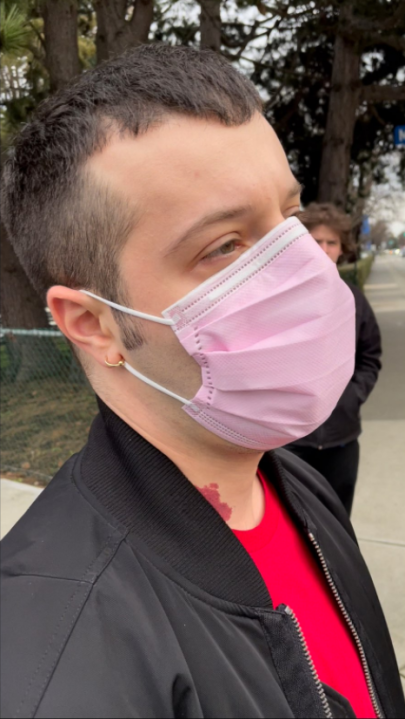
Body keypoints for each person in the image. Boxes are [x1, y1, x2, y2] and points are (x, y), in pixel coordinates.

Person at [1, 46, 403, 719]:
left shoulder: (290, 483)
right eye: (224, 246)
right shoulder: (59, 654)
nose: (303, 268)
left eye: (289, 217)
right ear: (94, 324)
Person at [286, 203, 382, 515]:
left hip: (342, 439)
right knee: (294, 521)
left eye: (332, 242)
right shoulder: (279, 299)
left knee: (339, 521)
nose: (324, 249)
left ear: (342, 248)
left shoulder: (355, 300)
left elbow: (370, 355)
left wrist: (353, 396)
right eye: (316, 241)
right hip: (289, 442)